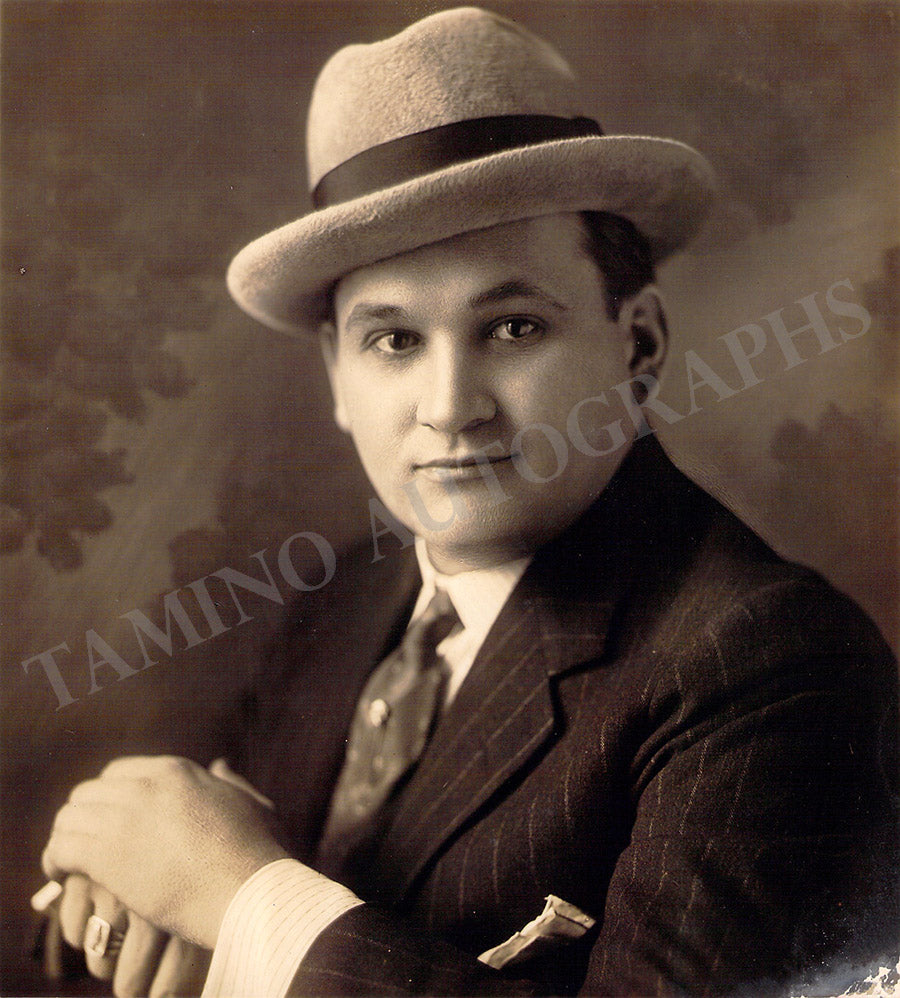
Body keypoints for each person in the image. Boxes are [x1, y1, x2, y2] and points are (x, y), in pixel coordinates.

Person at [40, 7, 899, 997]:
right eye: (394, 341)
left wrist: (243, 898)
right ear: (336, 374)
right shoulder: (341, 604)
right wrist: (118, 885)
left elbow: (233, 897)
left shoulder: (767, 662)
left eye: (514, 327)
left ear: (640, 344)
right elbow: (160, 912)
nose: (449, 407)